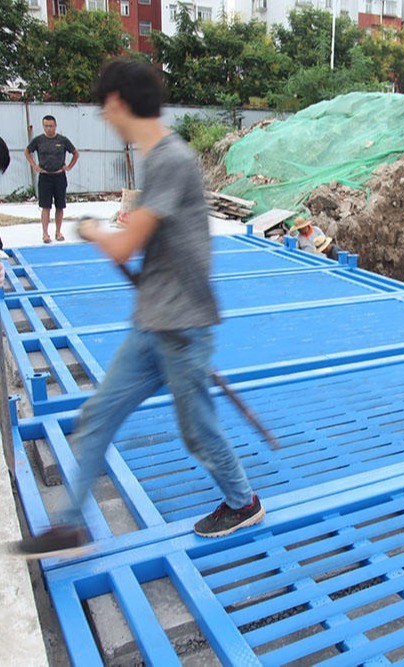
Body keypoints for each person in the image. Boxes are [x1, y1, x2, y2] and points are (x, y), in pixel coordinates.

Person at [17, 58, 264, 559]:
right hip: (153, 322)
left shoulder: (172, 159)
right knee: (99, 414)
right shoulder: (158, 163)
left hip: (184, 327)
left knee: (198, 433)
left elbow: (123, 247)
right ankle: (69, 524)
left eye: (105, 108)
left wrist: (90, 228)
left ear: (117, 102)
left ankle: (243, 502)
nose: (104, 118)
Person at [24, 115, 79, 244]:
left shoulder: (63, 140)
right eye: (46, 126)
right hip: (45, 177)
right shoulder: (38, 140)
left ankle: (58, 232)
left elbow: (76, 153)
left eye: (51, 126)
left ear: (55, 126)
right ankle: (45, 234)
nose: (49, 128)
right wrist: (34, 166)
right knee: (45, 207)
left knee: (60, 206)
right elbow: (27, 151)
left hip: (59, 176)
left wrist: (69, 166)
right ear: (43, 126)